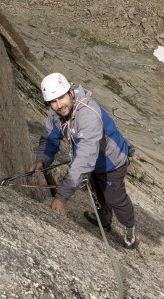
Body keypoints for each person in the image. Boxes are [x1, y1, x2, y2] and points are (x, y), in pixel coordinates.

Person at [32, 72, 137, 249]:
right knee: (96, 192)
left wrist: (61, 197)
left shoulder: (88, 114)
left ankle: (129, 226)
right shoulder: (55, 115)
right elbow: (49, 139)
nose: (59, 105)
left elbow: (85, 160)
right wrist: (42, 160)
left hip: (111, 162)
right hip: (90, 161)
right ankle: (104, 220)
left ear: (71, 93)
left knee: (115, 198)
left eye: (61, 98)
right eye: (53, 101)